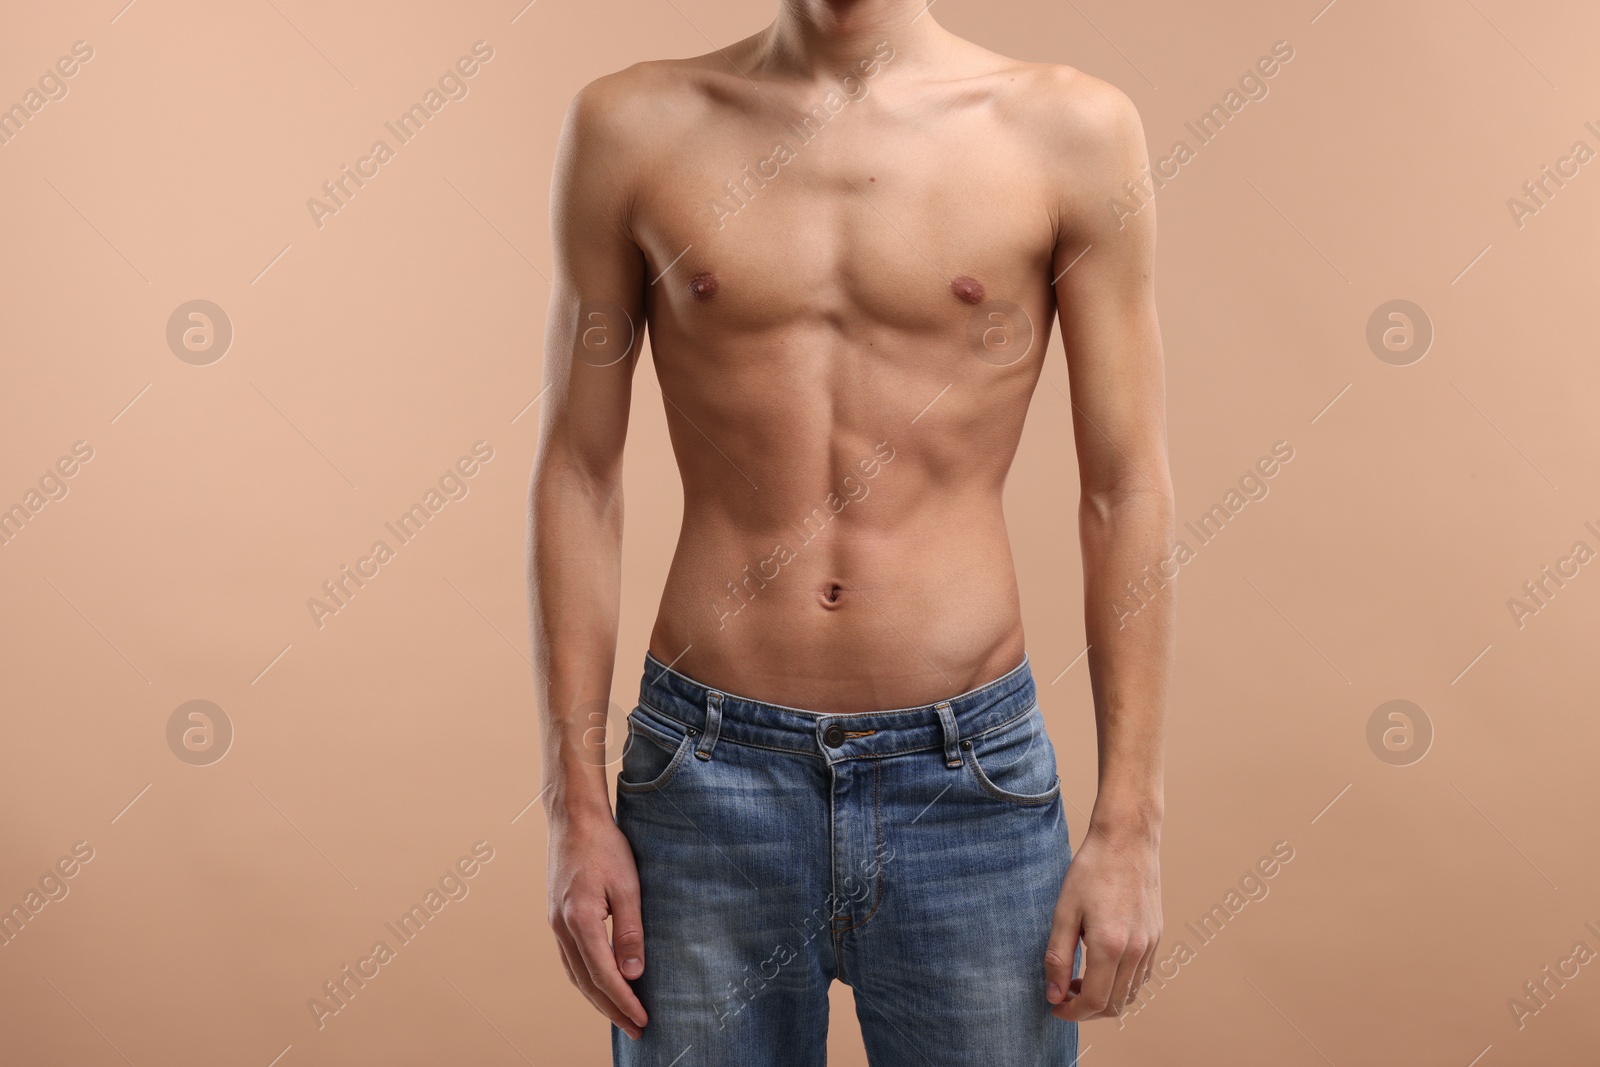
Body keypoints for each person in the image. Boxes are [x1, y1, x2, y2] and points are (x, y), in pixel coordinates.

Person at [528, 1, 1174, 1063]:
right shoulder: (632, 125)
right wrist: (574, 808)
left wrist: (1130, 823)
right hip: (702, 783)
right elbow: (578, 476)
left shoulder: (1068, 130)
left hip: (969, 786)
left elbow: (1124, 488)